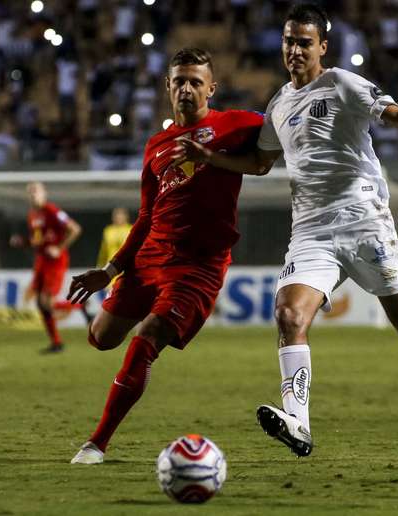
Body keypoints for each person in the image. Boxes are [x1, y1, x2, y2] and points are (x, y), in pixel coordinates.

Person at [175, 3, 398, 458]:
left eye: (304, 42)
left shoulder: (341, 83)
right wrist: (211, 158)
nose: (295, 50)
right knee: (289, 315)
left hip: (364, 223)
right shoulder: (278, 104)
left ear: (323, 47)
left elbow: (390, 110)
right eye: (289, 41)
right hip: (312, 231)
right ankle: (299, 424)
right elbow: (259, 162)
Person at [66, 47, 263, 465]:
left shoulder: (237, 124)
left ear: (212, 88)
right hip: (151, 255)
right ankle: (155, 310)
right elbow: (145, 216)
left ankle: (96, 444)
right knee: (101, 338)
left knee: (148, 337)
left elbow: (279, 137)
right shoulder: (156, 144)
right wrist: (111, 269)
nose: (187, 88)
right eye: (179, 81)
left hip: (199, 265)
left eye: (196, 81)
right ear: (167, 87)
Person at [10, 182, 82, 354]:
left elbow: (75, 229)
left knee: (46, 302)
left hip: (56, 262)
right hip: (41, 261)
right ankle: (56, 343)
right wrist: (24, 242)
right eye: (30, 192)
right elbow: (38, 240)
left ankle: (80, 305)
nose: (33, 194)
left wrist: (59, 248)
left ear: (44, 193)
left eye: (36, 191)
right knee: (40, 303)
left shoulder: (52, 210)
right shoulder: (33, 215)